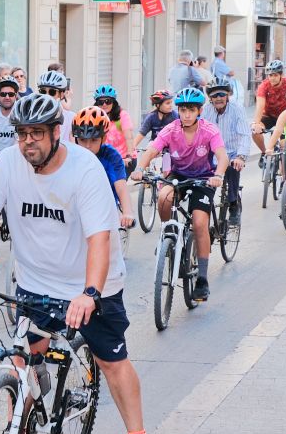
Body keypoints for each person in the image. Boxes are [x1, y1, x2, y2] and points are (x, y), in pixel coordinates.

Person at [0, 93, 154, 434]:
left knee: (111, 361)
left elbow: (99, 239)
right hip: (36, 279)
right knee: (22, 359)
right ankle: (16, 430)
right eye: (22, 133)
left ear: (57, 133)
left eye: (37, 133)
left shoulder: (85, 169)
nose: (28, 141)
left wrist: (91, 293)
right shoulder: (8, 164)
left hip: (93, 281)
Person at [132, 88, 230, 303]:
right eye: (183, 109)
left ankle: (202, 279)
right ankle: (169, 235)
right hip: (178, 175)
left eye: (191, 110)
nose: (186, 114)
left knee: (199, 222)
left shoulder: (209, 130)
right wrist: (139, 168)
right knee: (163, 198)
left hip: (204, 179)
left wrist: (219, 175)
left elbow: (222, 156)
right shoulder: (171, 129)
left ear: (199, 111)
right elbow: (152, 150)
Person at [71, 106, 135, 230]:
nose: (87, 146)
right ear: (75, 139)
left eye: (94, 140)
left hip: (106, 206)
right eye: (83, 140)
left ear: (104, 138)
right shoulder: (70, 155)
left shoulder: (112, 156)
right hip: (77, 206)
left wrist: (127, 212)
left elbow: (121, 187)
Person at [201, 76, 252, 223]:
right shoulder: (206, 110)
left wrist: (241, 157)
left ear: (228, 95)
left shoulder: (237, 109)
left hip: (232, 152)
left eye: (222, 94)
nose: (218, 98)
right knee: (205, 181)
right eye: (214, 95)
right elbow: (201, 134)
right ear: (210, 98)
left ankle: (234, 204)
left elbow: (244, 134)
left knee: (232, 169)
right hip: (213, 153)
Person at [251, 60, 286, 155]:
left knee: (284, 145)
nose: (272, 78)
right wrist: (256, 124)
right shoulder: (263, 86)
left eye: (275, 75)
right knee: (255, 132)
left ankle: (283, 166)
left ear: (281, 75)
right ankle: (264, 153)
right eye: (270, 75)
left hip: (285, 116)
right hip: (269, 115)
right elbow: (260, 105)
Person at [93, 85, 137, 170]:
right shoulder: (96, 117)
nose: (104, 104)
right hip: (107, 159)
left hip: (124, 159)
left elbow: (129, 138)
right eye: (100, 102)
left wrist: (129, 156)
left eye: (108, 101)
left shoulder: (122, 115)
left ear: (113, 102)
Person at [35, 70, 74, 143]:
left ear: (61, 94)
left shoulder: (72, 118)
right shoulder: (34, 116)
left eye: (52, 92)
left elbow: (74, 146)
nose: (47, 95)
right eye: (43, 91)